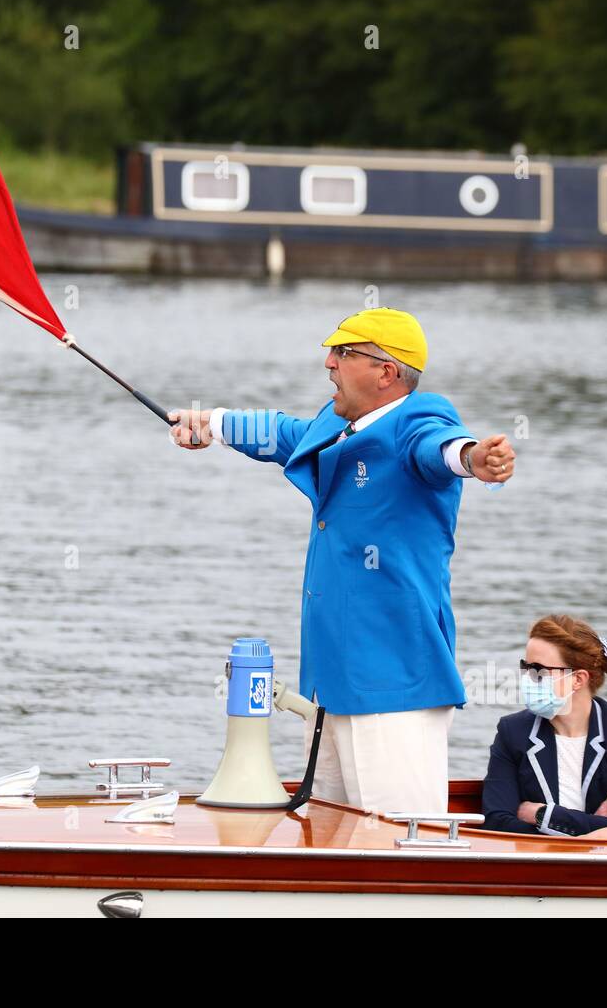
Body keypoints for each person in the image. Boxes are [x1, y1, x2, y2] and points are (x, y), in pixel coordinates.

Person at [168, 307, 514, 815]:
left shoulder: (418, 419)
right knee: (327, 837)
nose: (329, 362)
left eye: (344, 353)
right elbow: (281, 432)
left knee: (400, 843)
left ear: (386, 373)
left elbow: (439, 450)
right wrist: (211, 423)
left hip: (393, 688)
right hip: (329, 687)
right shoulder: (337, 424)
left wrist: (473, 459)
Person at [482, 614, 607, 839]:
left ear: (578, 679)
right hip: (539, 866)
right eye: (526, 667)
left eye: (539, 670)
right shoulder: (512, 732)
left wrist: (542, 815)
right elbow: (497, 822)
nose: (528, 678)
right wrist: (598, 823)